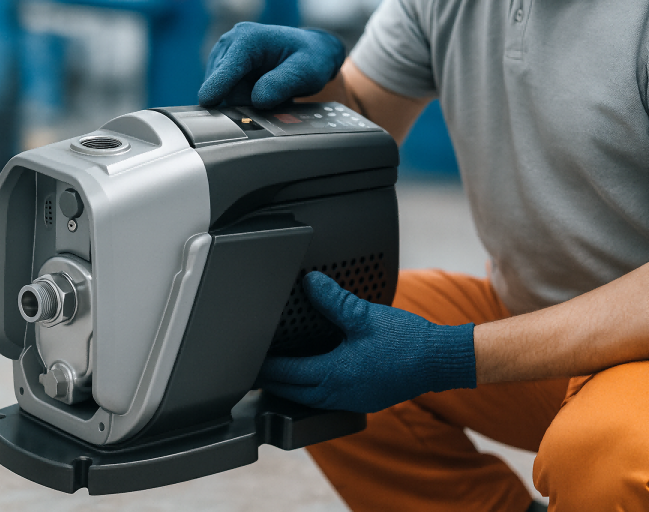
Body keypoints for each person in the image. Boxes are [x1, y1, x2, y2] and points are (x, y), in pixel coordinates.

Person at [197, 2, 649, 511]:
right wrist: (312, 91)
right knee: (313, 331)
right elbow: (361, 123)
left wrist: (448, 356)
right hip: (538, 323)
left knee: (605, 457)